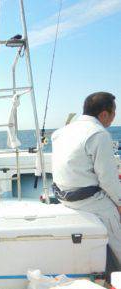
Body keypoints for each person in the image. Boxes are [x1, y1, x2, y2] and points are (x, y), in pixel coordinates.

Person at [51, 92, 121, 271]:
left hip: (64, 197)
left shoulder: (60, 133)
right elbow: (108, 180)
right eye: (114, 113)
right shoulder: (99, 134)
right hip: (88, 201)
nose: (113, 119)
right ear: (104, 114)